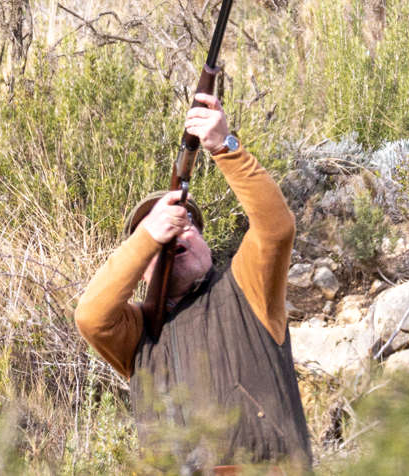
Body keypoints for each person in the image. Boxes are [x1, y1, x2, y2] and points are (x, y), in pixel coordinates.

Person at [74, 93, 313, 472]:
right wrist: (148, 236)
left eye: (186, 227)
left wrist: (224, 147)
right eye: (162, 239)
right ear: (140, 267)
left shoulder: (244, 288)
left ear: (204, 240)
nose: (176, 237)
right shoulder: (137, 333)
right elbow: (90, 316)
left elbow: (277, 229)